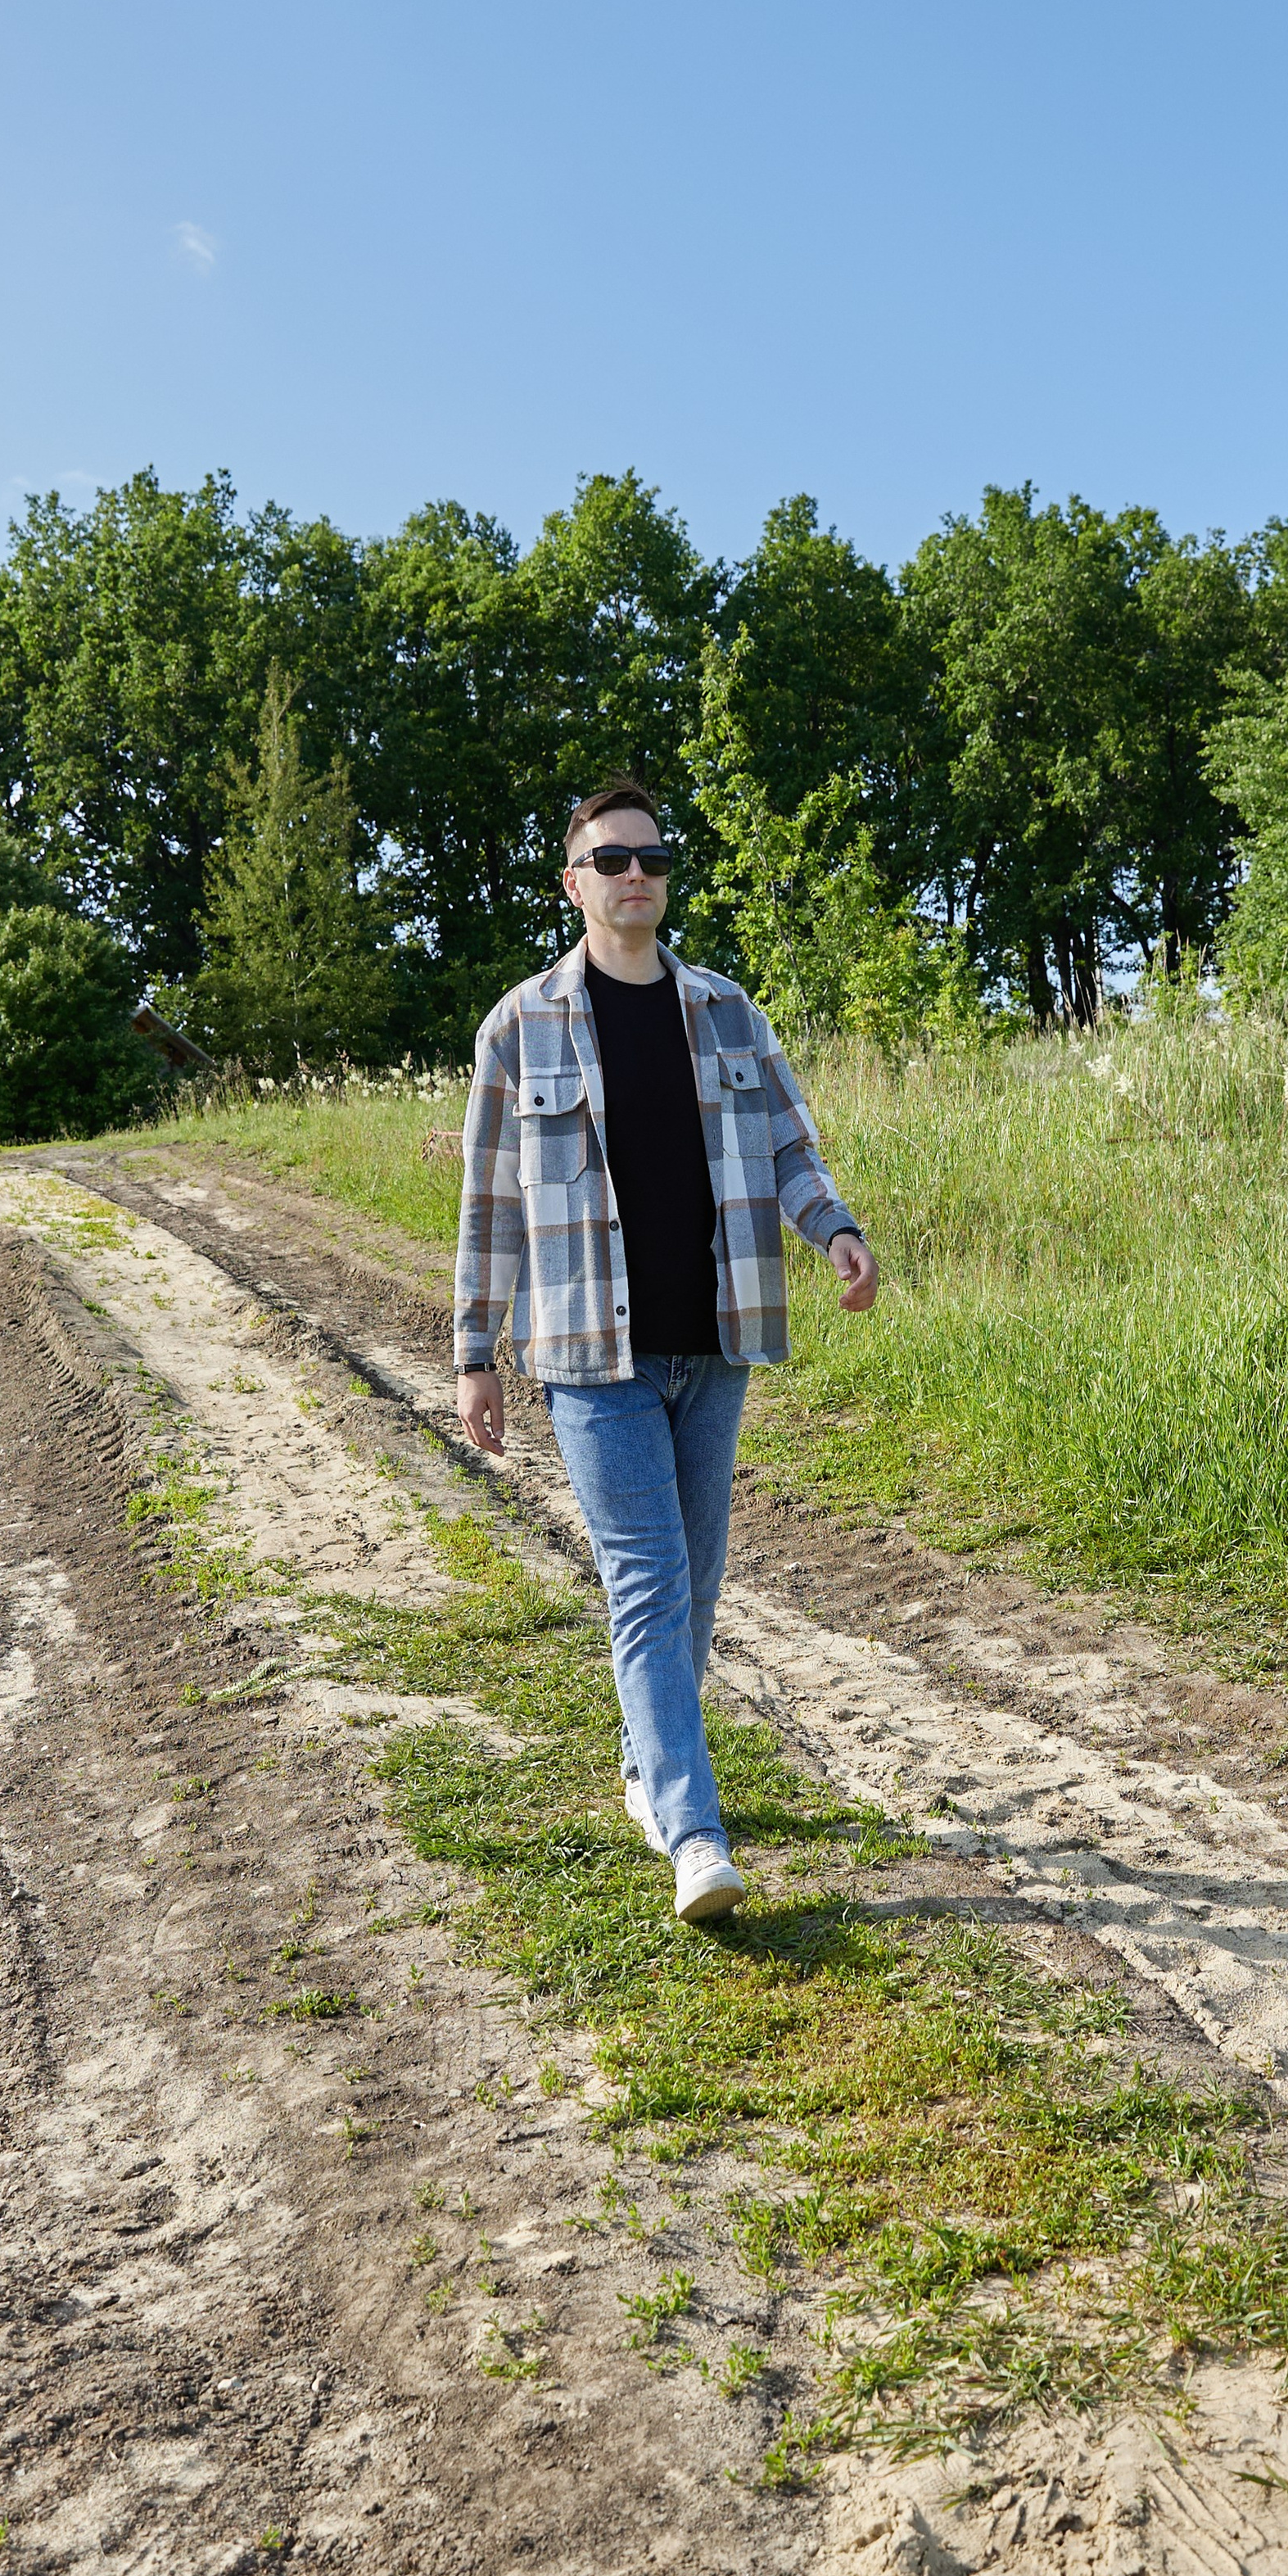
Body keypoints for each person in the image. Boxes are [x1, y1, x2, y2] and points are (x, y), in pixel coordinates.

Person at [452, 775, 879, 1923]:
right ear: (574, 882)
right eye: (612, 860)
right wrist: (476, 1352)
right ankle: (695, 1835)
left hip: (716, 1340)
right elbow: (488, 1207)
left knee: (694, 1581)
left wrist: (835, 1232)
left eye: (652, 857)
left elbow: (791, 1150)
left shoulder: (729, 1012)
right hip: (591, 1355)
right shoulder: (518, 1027)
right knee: (646, 1579)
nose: (635, 875)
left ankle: (647, 1769)